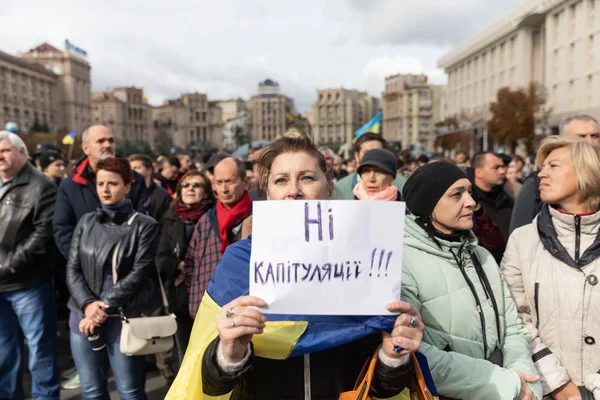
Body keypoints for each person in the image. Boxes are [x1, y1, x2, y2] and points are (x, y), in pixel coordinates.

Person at [167, 134, 425, 399]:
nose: (294, 190)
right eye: (281, 180)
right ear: (267, 195)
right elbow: (210, 386)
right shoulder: (239, 262)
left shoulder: (367, 261)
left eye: (307, 177)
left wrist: (394, 356)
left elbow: (383, 388)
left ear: (329, 188)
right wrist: (228, 355)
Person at [400, 161, 542, 400]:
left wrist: (523, 379)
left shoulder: (482, 255)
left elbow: (513, 329)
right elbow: (416, 354)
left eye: (469, 192)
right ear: (427, 205)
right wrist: (504, 384)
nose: (471, 202)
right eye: (457, 195)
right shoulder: (402, 263)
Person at [502, 136, 600, 400]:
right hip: (547, 391)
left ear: (586, 171)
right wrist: (559, 386)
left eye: (553, 166)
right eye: (541, 166)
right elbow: (513, 317)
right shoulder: (523, 240)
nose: (541, 173)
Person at [66, 157, 162, 399]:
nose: (105, 190)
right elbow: (73, 268)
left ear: (127, 186)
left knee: (129, 391)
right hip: (82, 315)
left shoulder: (145, 225)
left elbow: (139, 273)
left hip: (123, 318)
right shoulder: (86, 222)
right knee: (91, 391)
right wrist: (88, 305)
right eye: (100, 184)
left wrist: (103, 308)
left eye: (113, 183)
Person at [0, 131, 60, 400]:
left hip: (28, 282)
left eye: (5, 150)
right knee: (4, 349)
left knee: (40, 350)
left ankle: (44, 396)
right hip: (2, 283)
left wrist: (9, 266)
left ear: (23, 153)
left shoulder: (42, 184)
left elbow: (42, 234)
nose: (0, 156)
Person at [53, 125, 148, 261]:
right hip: (86, 269)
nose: (107, 145)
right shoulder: (70, 185)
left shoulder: (135, 179)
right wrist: (82, 262)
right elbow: (63, 229)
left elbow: (144, 225)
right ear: (86, 148)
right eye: (100, 141)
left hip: (127, 266)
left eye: (111, 140)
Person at [156, 170, 215, 369]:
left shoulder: (212, 219)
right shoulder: (171, 218)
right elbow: (160, 258)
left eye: (196, 185)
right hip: (180, 295)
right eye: (185, 185)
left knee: (209, 350)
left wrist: (192, 268)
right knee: (184, 350)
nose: (190, 188)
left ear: (206, 193)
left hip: (208, 294)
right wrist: (179, 266)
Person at [510, 114, 600, 235]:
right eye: (581, 136)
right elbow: (520, 232)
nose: (590, 141)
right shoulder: (537, 183)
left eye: (595, 136)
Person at [185, 157, 252, 318]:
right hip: (204, 312)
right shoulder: (206, 220)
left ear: (245, 182)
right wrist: (196, 294)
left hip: (243, 313)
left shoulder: (257, 219)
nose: (224, 188)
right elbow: (190, 263)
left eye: (230, 181)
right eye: (219, 182)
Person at [466, 152, 513, 263]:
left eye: (502, 167)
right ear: (479, 172)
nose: (502, 171)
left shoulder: (508, 197)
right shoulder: (469, 202)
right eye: (496, 167)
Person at [334, 133, 406, 199]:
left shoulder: (404, 186)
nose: (372, 156)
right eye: (367, 152)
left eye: (377, 152)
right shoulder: (339, 188)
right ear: (356, 156)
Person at [129, 154, 171, 223]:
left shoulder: (162, 196)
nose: (132, 171)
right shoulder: (127, 193)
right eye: (130, 168)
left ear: (149, 170)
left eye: (136, 168)